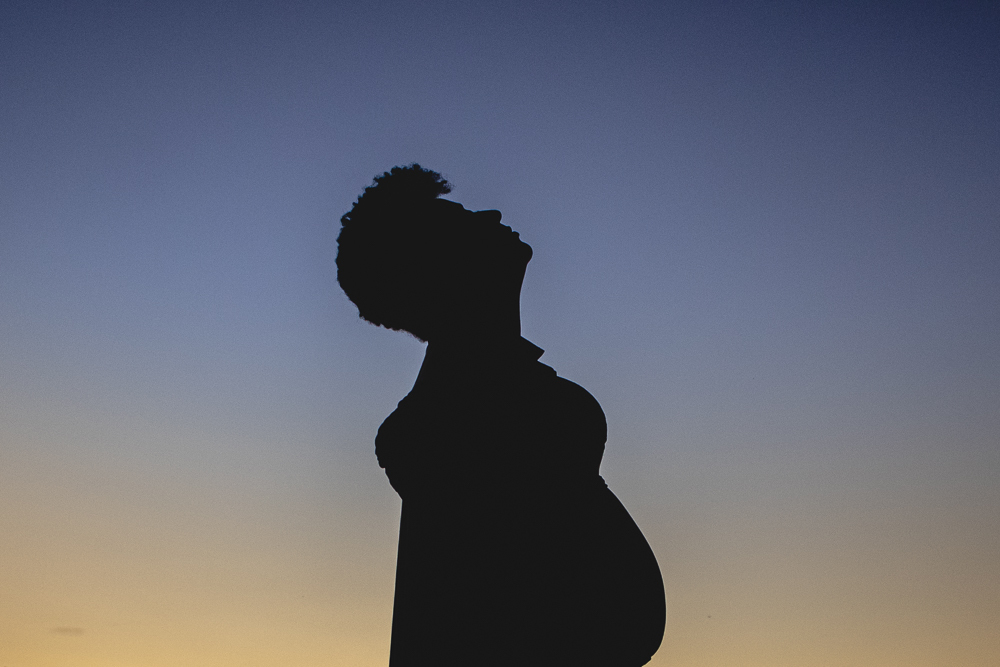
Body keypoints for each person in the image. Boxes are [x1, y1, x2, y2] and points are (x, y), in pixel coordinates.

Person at [337, 164, 665, 666]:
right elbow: (450, 613)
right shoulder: (444, 420)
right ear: (435, 268)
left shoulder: (482, 387)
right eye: (461, 220)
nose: (489, 213)